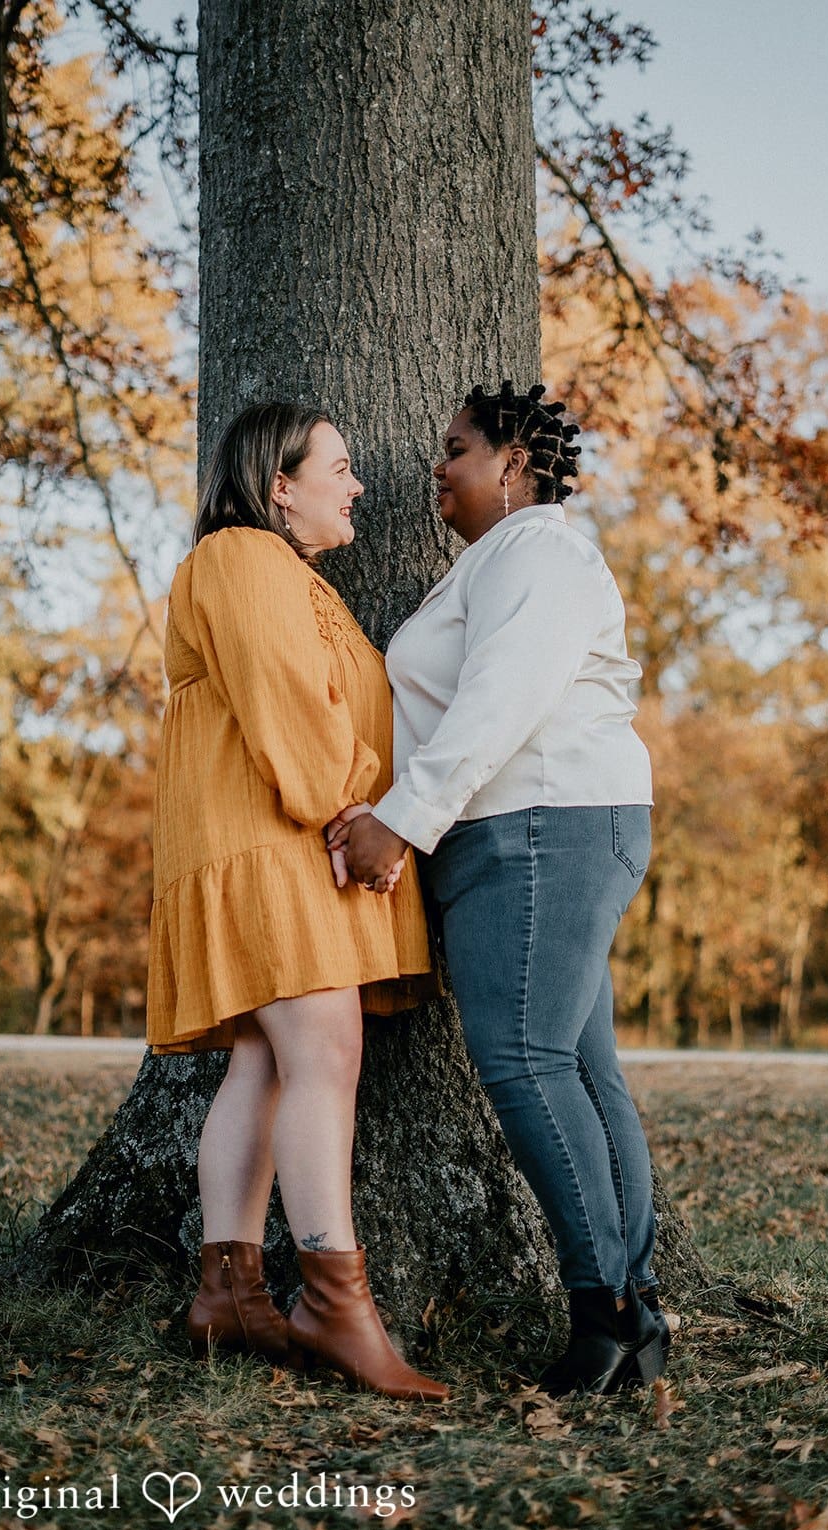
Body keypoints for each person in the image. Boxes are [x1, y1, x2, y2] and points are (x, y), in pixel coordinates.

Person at [329, 380, 666, 1397]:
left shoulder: (537, 552)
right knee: (580, 1070)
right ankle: (630, 1311)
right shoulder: (498, 562)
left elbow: (501, 696)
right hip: (531, 827)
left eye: (457, 448)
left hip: (539, 823)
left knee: (522, 1061)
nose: (439, 467)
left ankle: (600, 1310)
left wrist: (401, 815)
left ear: (514, 463)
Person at [146, 400, 447, 1403]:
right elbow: (289, 709)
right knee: (324, 1052)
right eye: (339, 466)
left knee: (269, 1061)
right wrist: (361, 817)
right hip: (276, 842)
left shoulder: (285, 576)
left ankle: (227, 1291)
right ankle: (334, 1297)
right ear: (278, 483)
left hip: (279, 843)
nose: (357, 484)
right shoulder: (240, 557)